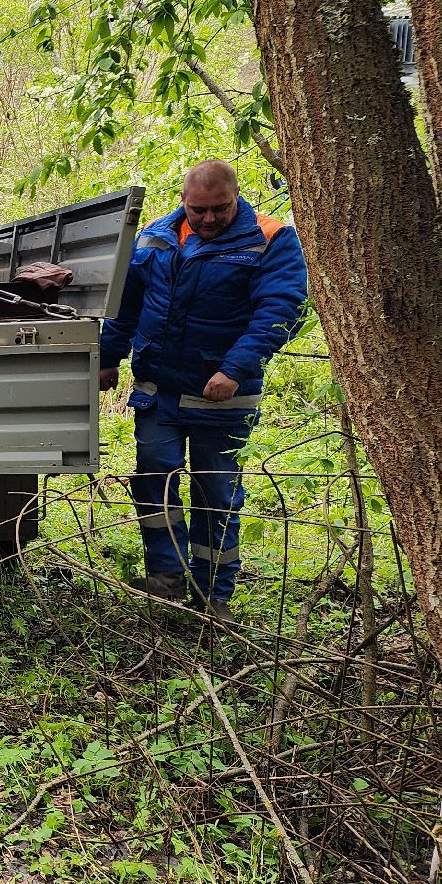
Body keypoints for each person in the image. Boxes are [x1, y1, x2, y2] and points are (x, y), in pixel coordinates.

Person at [98, 160, 309, 622]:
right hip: (159, 392)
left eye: (220, 209)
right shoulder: (154, 236)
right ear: (182, 202)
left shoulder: (271, 239)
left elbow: (281, 309)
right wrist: (107, 357)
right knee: (155, 479)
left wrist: (235, 368)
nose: (209, 219)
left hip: (224, 394)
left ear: (237, 197)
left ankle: (213, 595)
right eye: (199, 210)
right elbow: (125, 304)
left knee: (215, 491)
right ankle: (166, 578)